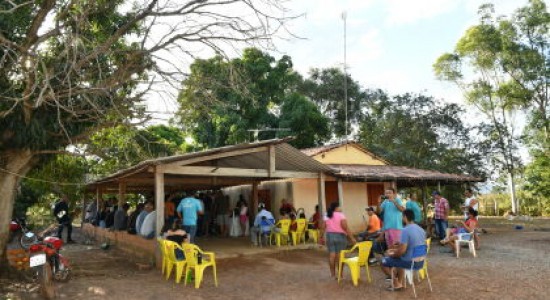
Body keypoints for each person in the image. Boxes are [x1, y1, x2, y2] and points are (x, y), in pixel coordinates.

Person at [381, 209, 426, 291]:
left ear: (405, 217)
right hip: (421, 262)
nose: (402, 219)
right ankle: (399, 282)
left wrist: (392, 254)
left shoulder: (405, 230)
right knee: (399, 259)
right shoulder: (421, 230)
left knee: (383, 261)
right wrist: (400, 245)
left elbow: (401, 251)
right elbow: (414, 243)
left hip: (410, 263)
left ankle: (396, 283)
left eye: (402, 217)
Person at [319, 201, 356, 280]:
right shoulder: (341, 215)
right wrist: (352, 238)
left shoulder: (326, 215)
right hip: (340, 237)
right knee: (340, 256)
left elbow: (323, 227)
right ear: (336, 208)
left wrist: (321, 237)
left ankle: (332, 275)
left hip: (330, 236)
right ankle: (340, 275)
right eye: (339, 206)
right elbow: (345, 227)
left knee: (331, 256)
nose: (340, 208)